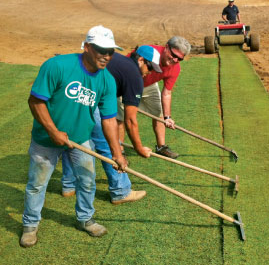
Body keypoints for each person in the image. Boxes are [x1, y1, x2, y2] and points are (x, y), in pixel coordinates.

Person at [20, 25, 127, 248]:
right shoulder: (57, 66)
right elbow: (36, 101)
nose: (107, 56)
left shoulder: (107, 80)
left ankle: (85, 219)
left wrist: (118, 153)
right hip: (45, 139)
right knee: (37, 184)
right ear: (87, 47)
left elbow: (108, 120)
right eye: (101, 50)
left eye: (111, 52)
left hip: (80, 138)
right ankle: (30, 225)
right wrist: (53, 132)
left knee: (87, 180)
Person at [61, 45, 163, 205]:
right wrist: (139, 148)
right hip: (88, 99)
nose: (150, 72)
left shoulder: (118, 60)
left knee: (74, 140)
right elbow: (130, 121)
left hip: (69, 95)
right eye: (150, 67)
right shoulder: (134, 76)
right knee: (108, 143)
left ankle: (69, 185)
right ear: (141, 60)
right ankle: (120, 191)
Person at [118, 36, 191, 159]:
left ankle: (161, 147)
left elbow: (167, 92)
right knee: (120, 117)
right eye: (173, 55)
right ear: (166, 47)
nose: (174, 59)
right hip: (126, 82)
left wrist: (168, 117)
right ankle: (119, 150)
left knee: (159, 113)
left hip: (149, 85)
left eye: (179, 58)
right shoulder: (148, 52)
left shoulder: (175, 68)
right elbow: (128, 67)